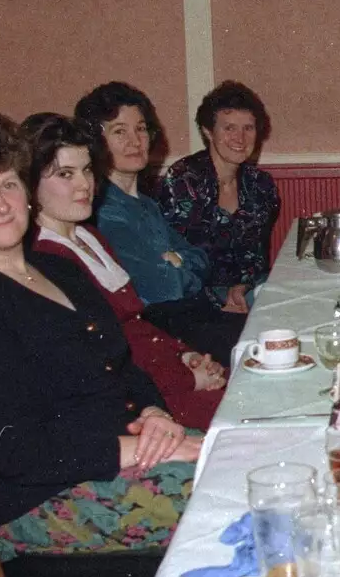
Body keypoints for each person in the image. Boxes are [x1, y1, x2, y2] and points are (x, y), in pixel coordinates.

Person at [0, 109, 201, 577]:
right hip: (41, 502)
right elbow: (19, 450)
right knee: (244, 499)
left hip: (119, 453)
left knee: (252, 465)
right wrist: (136, 449)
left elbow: (120, 364)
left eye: (7, 185)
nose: (0, 205)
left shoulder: (56, 269)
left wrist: (154, 414)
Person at [22, 112, 226, 429]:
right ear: (30, 182)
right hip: (137, 405)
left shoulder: (88, 235)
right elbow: (102, 359)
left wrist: (187, 356)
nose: (84, 185)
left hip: (162, 374)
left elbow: (136, 325)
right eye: (65, 174)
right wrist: (184, 377)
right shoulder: (46, 256)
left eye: (87, 170)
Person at [75, 81, 245, 361]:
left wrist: (176, 260)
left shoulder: (145, 203)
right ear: (96, 140)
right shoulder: (104, 212)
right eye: (120, 131)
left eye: (140, 128)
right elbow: (166, 287)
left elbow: (201, 261)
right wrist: (179, 261)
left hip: (193, 316)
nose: (135, 141)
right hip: (163, 332)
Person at [157, 80, 280, 313]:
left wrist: (242, 286)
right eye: (229, 128)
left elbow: (257, 256)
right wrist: (220, 299)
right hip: (194, 297)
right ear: (208, 131)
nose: (240, 138)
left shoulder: (261, 185)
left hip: (247, 291)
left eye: (248, 128)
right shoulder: (184, 180)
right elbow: (175, 261)